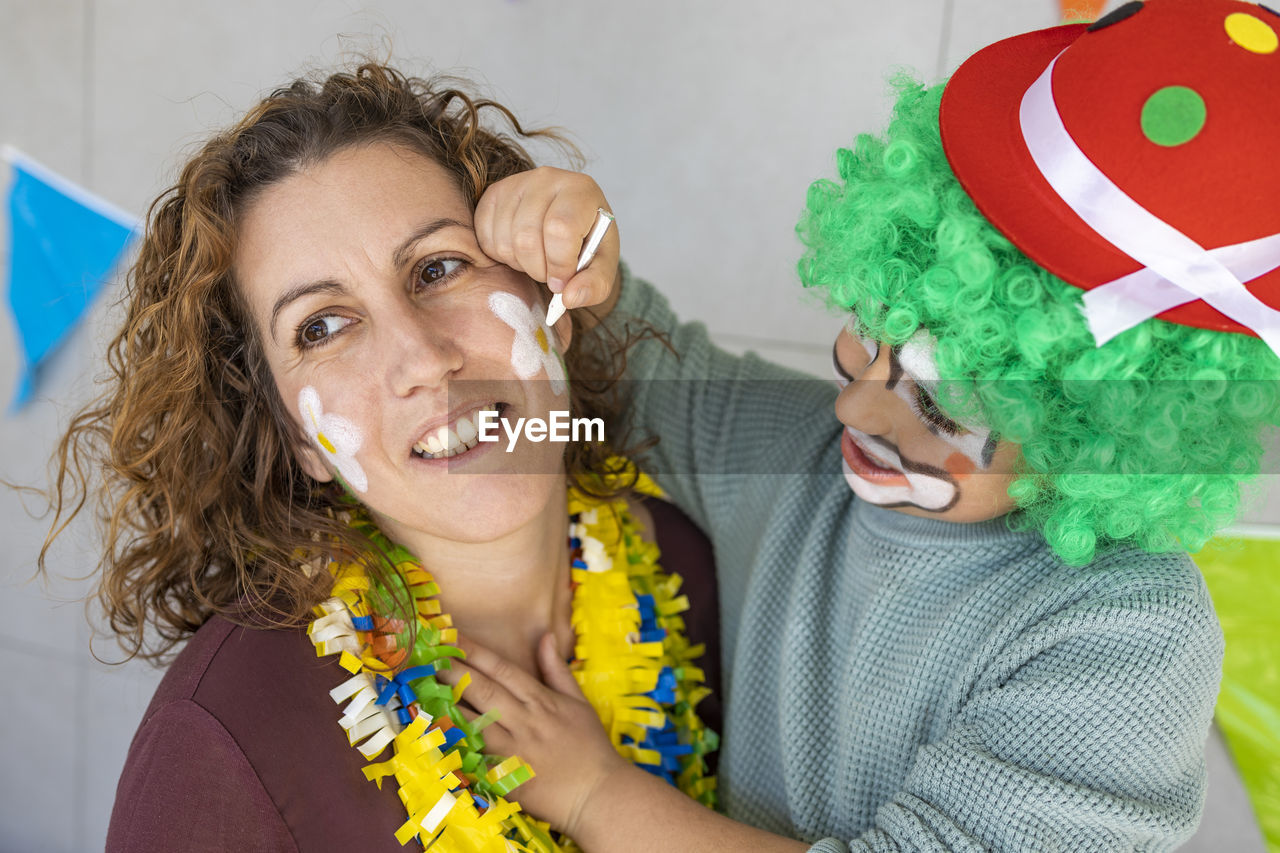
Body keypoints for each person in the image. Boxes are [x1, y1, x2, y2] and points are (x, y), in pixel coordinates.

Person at [443, 1, 1280, 850]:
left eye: (937, 402)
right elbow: (643, 371)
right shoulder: (803, 461)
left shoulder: (1132, 634)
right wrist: (576, 247)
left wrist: (591, 794)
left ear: (1097, 443)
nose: (853, 405)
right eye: (872, 327)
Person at [42, 62, 720, 852]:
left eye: (438, 268)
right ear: (299, 435)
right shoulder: (219, 745)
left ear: (549, 302)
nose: (422, 357)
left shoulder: (692, 567)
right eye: (323, 326)